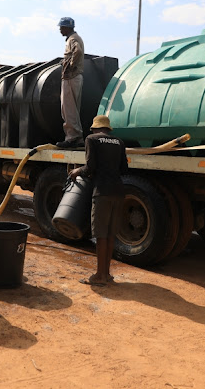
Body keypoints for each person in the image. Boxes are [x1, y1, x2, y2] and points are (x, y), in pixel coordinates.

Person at [68, 115, 128, 286]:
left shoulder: (91, 139)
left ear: (95, 128)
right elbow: (124, 169)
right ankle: (107, 274)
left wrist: (77, 171)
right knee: (110, 234)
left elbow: (90, 167)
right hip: (118, 192)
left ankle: (99, 276)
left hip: (102, 192)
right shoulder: (119, 142)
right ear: (108, 129)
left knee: (100, 234)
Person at [56, 16, 85, 149]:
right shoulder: (74, 38)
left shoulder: (73, 39)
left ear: (67, 27)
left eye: (61, 27)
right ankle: (77, 138)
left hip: (71, 77)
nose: (60, 30)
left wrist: (70, 65)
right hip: (75, 77)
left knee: (68, 109)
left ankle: (72, 137)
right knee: (72, 109)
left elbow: (77, 51)